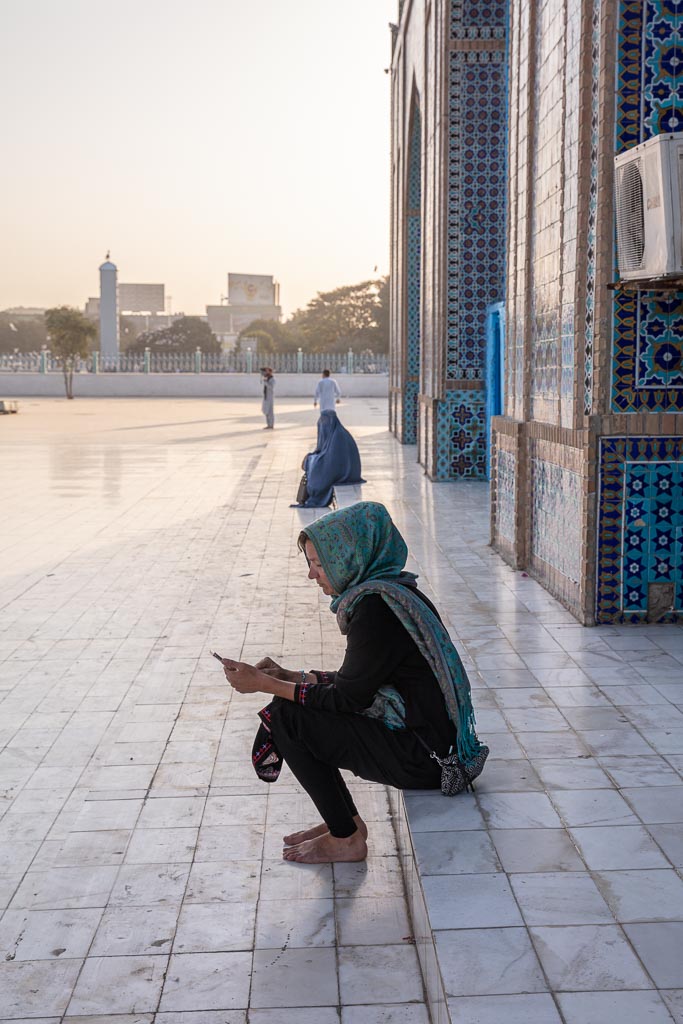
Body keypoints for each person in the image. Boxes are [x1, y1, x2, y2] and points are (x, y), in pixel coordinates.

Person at [219, 501, 488, 864]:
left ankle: (347, 837)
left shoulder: (375, 611)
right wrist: (291, 677)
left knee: (288, 717)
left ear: (348, 557)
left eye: (318, 564)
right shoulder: (393, 593)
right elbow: (361, 680)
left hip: (427, 760)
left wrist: (265, 684)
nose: (313, 575)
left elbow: (347, 698)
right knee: (294, 705)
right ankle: (345, 825)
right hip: (432, 746)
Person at [296, 409, 365, 507]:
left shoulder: (338, 437)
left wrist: (309, 460)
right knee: (312, 461)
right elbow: (324, 454)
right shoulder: (337, 432)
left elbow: (329, 463)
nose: (322, 425)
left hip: (343, 474)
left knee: (314, 467)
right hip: (346, 472)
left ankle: (313, 494)